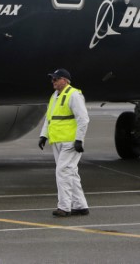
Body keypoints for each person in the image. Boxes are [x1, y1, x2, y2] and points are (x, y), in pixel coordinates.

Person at [38, 68, 90, 217]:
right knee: (70, 173)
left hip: (70, 142)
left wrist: (79, 139)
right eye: (52, 79)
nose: (53, 81)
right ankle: (80, 205)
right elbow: (50, 118)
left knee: (62, 172)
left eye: (56, 79)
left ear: (65, 81)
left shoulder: (74, 95)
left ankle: (64, 207)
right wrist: (43, 136)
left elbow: (83, 119)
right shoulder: (54, 96)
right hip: (57, 141)